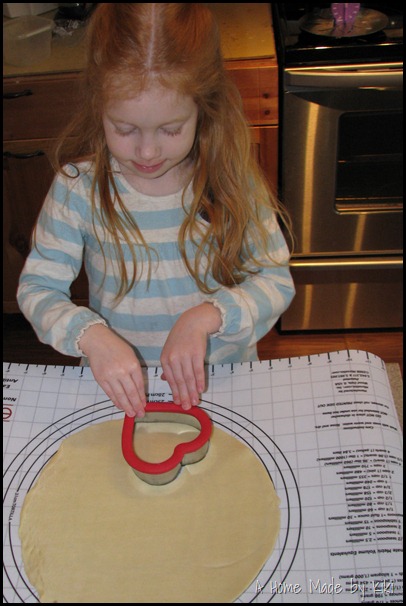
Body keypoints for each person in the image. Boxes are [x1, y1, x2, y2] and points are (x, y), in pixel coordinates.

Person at [17, 3, 295, 419]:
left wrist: (207, 317)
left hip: (222, 385)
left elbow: (275, 281)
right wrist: (89, 336)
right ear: (98, 106)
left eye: (171, 129)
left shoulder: (233, 181)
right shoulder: (77, 189)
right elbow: (37, 289)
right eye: (124, 129)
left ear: (204, 107)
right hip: (120, 391)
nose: (147, 152)